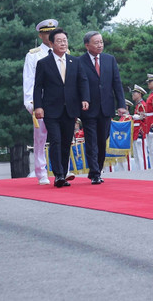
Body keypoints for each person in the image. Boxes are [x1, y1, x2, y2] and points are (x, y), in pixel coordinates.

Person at [33, 28, 90, 187]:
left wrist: (85, 98)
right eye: (59, 41)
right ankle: (58, 175)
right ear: (51, 43)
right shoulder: (43, 63)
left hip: (70, 108)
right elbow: (38, 87)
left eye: (65, 40)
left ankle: (63, 173)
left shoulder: (75, 61)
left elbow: (82, 82)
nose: (63, 43)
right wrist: (38, 106)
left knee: (66, 142)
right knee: (56, 141)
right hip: (51, 109)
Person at [78, 31, 127, 183]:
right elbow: (77, 85)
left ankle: (97, 169)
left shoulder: (109, 59)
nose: (100, 45)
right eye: (96, 42)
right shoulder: (79, 61)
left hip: (106, 107)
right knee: (91, 141)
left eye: (101, 42)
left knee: (101, 140)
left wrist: (121, 104)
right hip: (88, 108)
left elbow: (116, 83)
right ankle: (95, 172)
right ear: (87, 45)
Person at [23, 18, 58, 185]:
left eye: (52, 32)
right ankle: (41, 172)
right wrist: (31, 104)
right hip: (42, 101)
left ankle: (61, 169)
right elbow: (29, 81)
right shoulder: (33, 55)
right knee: (40, 138)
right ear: (41, 35)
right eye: (47, 33)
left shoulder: (64, 52)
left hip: (60, 101)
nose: (50, 35)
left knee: (62, 137)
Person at [130, 85, 149, 170]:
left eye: (135, 93)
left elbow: (144, 119)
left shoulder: (142, 105)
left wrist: (134, 116)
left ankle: (144, 171)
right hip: (136, 133)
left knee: (142, 154)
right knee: (137, 155)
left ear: (140, 94)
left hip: (140, 133)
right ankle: (138, 172)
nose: (133, 95)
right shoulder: (138, 105)